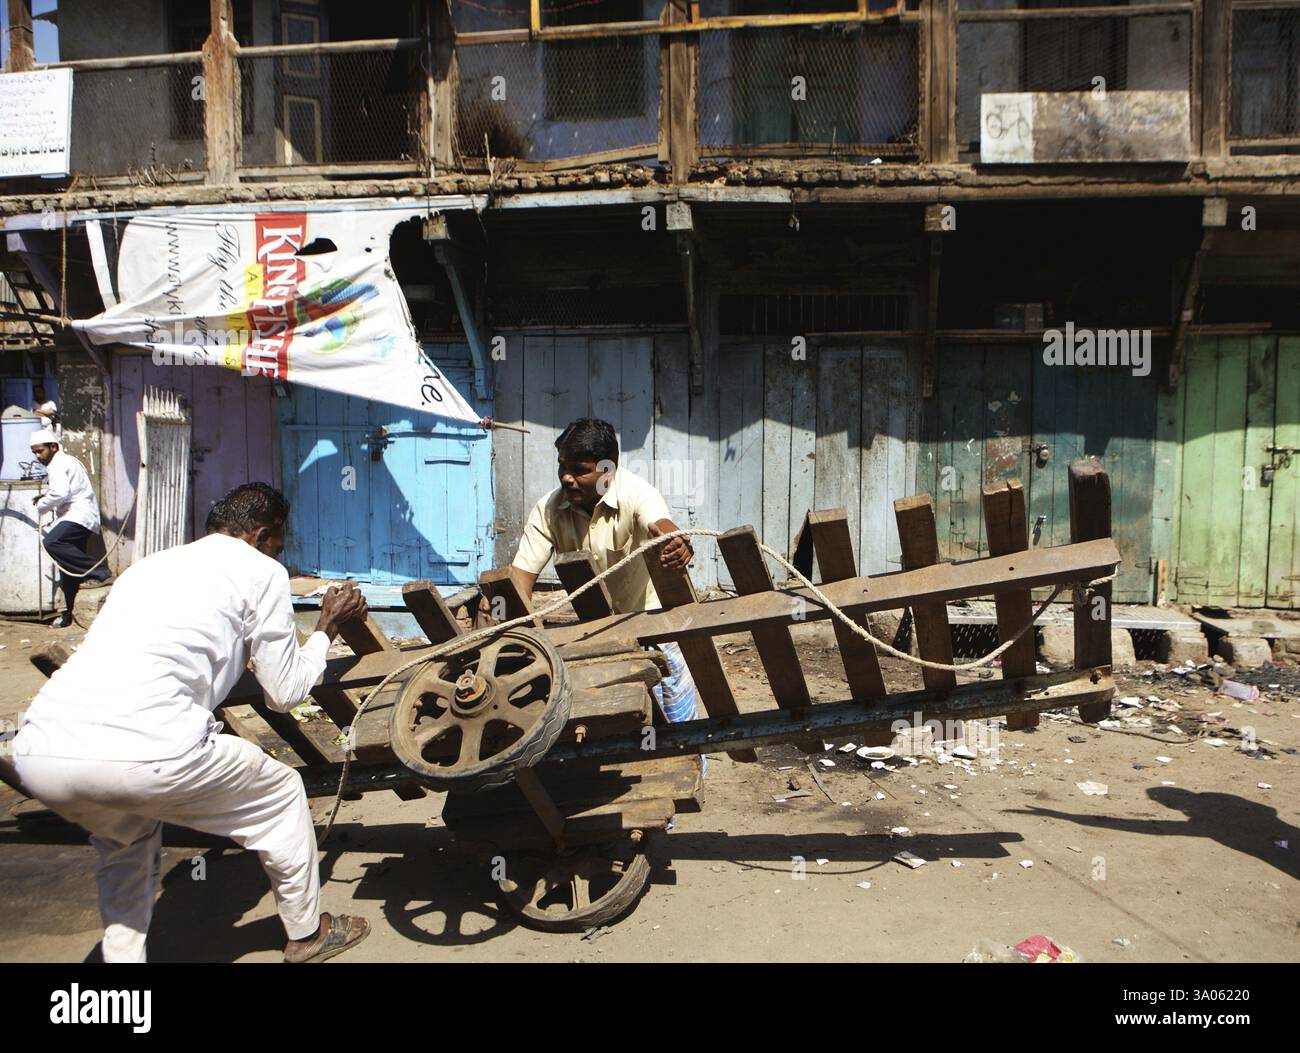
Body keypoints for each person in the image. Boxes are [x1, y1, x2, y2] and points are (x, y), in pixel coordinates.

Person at [11, 482, 373, 963]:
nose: (278, 553)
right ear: (262, 535)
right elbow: (284, 694)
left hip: (42, 750)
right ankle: (308, 935)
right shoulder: (262, 571)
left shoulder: (148, 566)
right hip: (154, 748)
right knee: (283, 793)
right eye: (279, 544)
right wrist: (326, 627)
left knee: (128, 838)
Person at [508, 418, 701, 727]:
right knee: (610, 719)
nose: (567, 478)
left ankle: (694, 770)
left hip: (654, 627)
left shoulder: (638, 494)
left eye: (580, 470)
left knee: (677, 723)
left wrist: (676, 541)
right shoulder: (548, 510)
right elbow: (520, 578)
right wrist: (502, 611)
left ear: (607, 471)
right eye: (562, 467)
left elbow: (660, 525)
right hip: (595, 634)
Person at [30, 427, 111, 627]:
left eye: (40, 451)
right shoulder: (66, 461)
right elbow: (67, 489)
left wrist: (42, 504)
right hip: (80, 515)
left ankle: (99, 572)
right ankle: (68, 615)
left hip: (78, 515)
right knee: (66, 568)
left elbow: (60, 493)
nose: (38, 456)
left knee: (52, 542)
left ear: (53, 447)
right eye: (35, 453)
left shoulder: (57, 464)